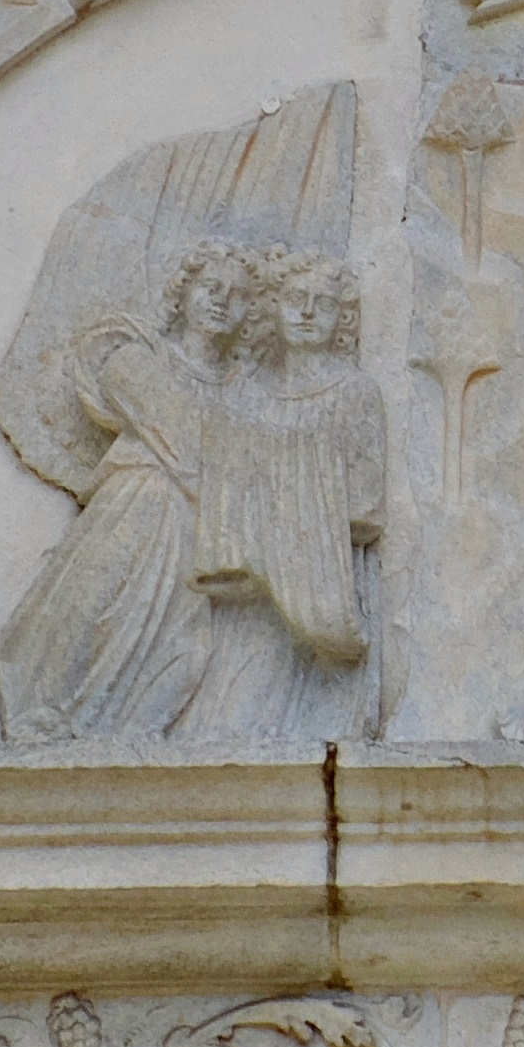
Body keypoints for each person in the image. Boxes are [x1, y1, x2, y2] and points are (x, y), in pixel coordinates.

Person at [0, 241, 259, 741]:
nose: (223, 300)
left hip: (192, 533)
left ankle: (131, 728)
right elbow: (188, 438)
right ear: (183, 294)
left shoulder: (240, 386)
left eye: (239, 295)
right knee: (95, 606)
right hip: (136, 506)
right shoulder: (134, 357)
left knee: (179, 636)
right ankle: (47, 712)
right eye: (211, 287)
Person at [179, 248, 387, 742]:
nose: (308, 311)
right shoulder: (244, 388)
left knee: (284, 714)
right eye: (295, 298)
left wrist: (280, 491)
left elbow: (364, 505)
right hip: (237, 591)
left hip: (314, 589)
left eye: (324, 303)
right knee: (222, 709)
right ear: (272, 307)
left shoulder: (353, 393)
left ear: (343, 321)